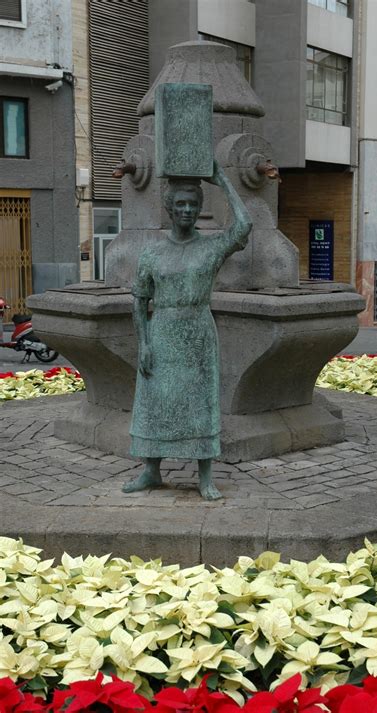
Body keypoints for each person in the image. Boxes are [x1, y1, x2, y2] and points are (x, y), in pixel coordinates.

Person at [123, 161, 252, 500]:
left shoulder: (210, 247)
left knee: (200, 402)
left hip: (197, 332)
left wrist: (221, 179)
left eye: (193, 204)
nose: (186, 210)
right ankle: (151, 470)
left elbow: (243, 227)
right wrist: (144, 344)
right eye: (180, 204)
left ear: (199, 209)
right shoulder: (152, 252)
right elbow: (139, 301)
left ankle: (205, 476)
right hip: (162, 330)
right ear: (169, 208)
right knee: (155, 402)